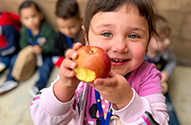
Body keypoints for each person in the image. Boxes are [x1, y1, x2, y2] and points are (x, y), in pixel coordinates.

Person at [30, 0, 169, 124]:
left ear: (148, 41)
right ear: (86, 37)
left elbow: (160, 122)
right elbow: (42, 120)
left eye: (134, 35)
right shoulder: (79, 73)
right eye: (107, 34)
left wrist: (126, 100)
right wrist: (65, 87)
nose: (120, 47)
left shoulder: (148, 76)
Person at [0, 1, 55, 97]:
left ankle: (39, 86)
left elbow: (52, 44)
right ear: (21, 20)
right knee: (15, 59)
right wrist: (29, 49)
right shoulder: (24, 30)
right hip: (30, 56)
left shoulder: (46, 29)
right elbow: (22, 44)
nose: (31, 21)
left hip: (43, 55)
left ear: (41, 15)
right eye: (26, 18)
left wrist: (42, 48)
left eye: (34, 16)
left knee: (46, 67)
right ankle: (10, 80)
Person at [144, 14, 180, 125]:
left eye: (167, 38)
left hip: (161, 86)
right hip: (144, 88)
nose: (168, 42)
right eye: (162, 39)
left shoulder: (165, 52)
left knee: (168, 109)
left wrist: (166, 73)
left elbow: (172, 61)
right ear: (148, 39)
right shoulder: (140, 55)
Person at [52, 0, 82, 68]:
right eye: (62, 27)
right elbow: (55, 57)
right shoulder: (58, 37)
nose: (67, 32)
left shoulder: (85, 34)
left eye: (71, 27)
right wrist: (66, 65)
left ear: (81, 20)